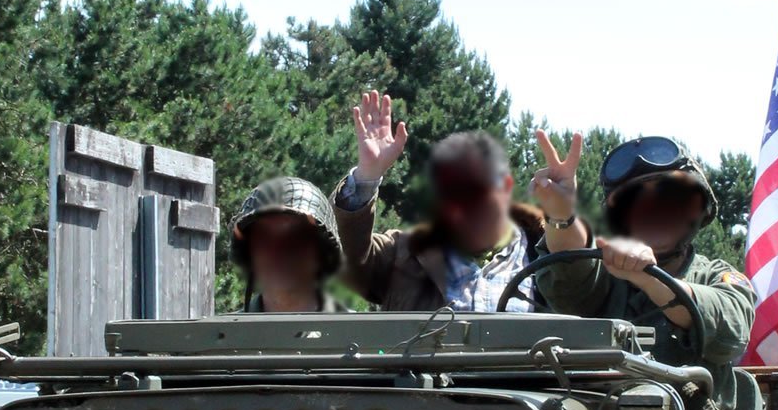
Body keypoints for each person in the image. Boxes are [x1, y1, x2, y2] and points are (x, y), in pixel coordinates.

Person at [531, 133, 756, 410]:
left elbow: (728, 332)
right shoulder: (605, 275)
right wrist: (561, 215)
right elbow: (570, 266)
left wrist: (647, 277)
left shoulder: (717, 275)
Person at [329, 91, 588, 312]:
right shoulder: (403, 254)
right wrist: (367, 176)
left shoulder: (543, 257)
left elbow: (583, 287)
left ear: (505, 188)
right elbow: (344, 256)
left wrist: (562, 214)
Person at [228, 176, 347, 313]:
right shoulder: (224, 327)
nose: (278, 251)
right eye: (265, 238)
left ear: (322, 253)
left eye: (296, 237)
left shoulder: (356, 326)